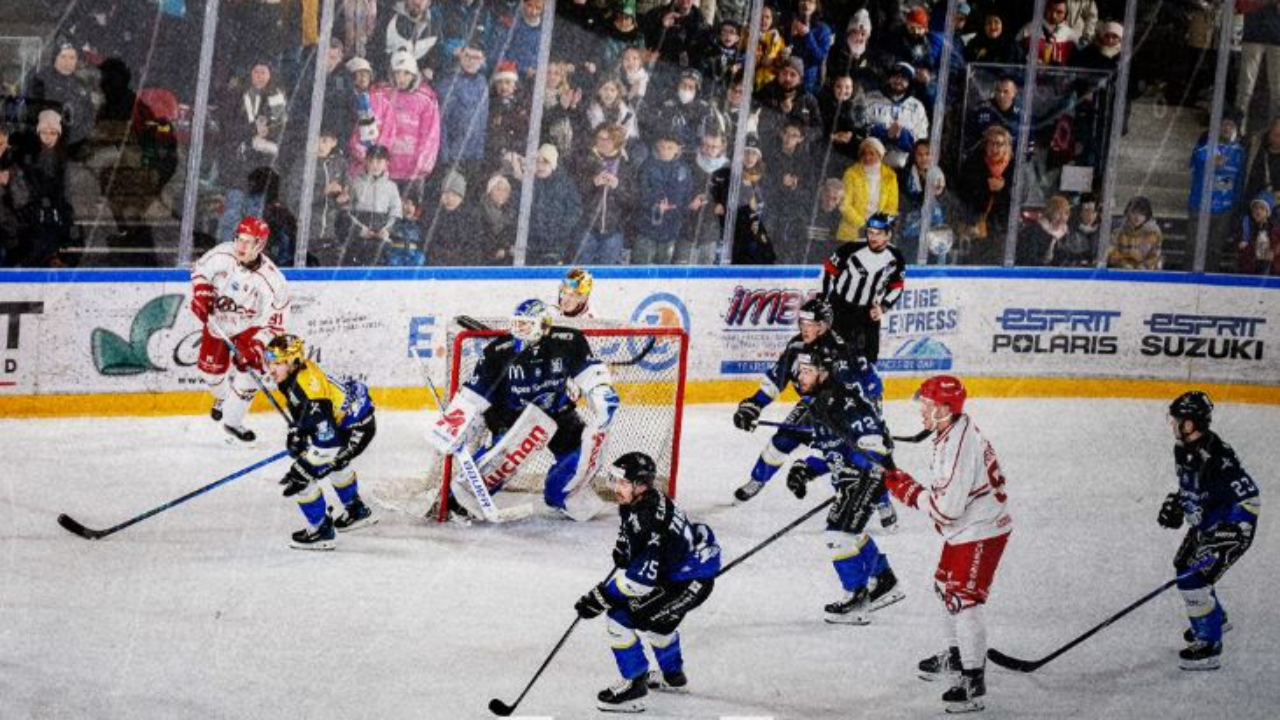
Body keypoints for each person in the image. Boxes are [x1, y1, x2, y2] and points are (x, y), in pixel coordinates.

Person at [882, 376, 1013, 714]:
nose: (922, 411)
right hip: (967, 527)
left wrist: (908, 491)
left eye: (927, 405)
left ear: (945, 409)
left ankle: (972, 681)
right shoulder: (951, 430)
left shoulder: (959, 445)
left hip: (981, 529)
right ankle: (958, 657)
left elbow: (947, 509)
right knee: (944, 587)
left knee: (963, 600)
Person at [427, 299, 619, 521]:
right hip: (512, 419)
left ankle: (562, 494)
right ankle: (455, 501)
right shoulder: (498, 352)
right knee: (496, 465)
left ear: (543, 325)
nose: (519, 329)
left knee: (581, 456)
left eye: (526, 324)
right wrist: (456, 425)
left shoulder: (568, 341)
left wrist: (602, 392)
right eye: (517, 323)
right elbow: (474, 395)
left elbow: (590, 371)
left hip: (558, 413)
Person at [573, 451, 721, 712]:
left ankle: (634, 687)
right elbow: (636, 539)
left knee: (619, 618)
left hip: (685, 583)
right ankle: (673, 677)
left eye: (622, 482)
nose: (616, 487)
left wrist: (601, 597)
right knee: (658, 625)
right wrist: (625, 549)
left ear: (640, 485)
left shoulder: (646, 518)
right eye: (615, 480)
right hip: (687, 576)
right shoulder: (645, 500)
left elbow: (640, 582)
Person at [782, 347, 903, 624]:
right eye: (801, 371)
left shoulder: (844, 398)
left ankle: (856, 600)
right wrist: (805, 469)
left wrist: (858, 467)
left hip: (867, 476)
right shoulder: (819, 402)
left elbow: (872, 440)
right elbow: (833, 451)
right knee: (851, 533)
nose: (802, 376)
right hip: (856, 478)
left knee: (837, 536)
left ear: (823, 372)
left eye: (808, 371)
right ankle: (884, 580)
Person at [731, 298, 883, 503]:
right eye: (802, 323)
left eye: (810, 324)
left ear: (823, 326)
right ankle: (757, 480)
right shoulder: (796, 346)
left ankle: (882, 501)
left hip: (842, 410)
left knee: (846, 458)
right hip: (812, 404)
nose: (805, 328)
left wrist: (869, 420)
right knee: (782, 440)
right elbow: (778, 377)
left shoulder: (841, 352)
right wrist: (755, 404)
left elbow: (866, 387)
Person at [1159, 391, 1260, 670]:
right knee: (1183, 565)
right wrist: (1181, 503)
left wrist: (1233, 530)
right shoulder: (1183, 447)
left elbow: (1248, 495)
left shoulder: (1218, 455)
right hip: (1208, 520)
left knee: (1194, 578)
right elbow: (1195, 484)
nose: (1173, 424)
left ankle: (1209, 646)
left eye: (1177, 420)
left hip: (1234, 524)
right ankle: (1216, 617)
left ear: (1191, 423)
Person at [266, 334, 378, 550]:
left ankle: (321, 531)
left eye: (277, 363)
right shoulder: (296, 373)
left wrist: (305, 464)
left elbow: (328, 443)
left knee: (301, 477)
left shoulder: (310, 391)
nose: (271, 369)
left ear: (293, 362)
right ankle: (356, 511)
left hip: (353, 431)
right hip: (349, 422)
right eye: (270, 362)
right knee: (335, 464)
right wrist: (299, 428)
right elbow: (311, 415)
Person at [190, 216, 289, 444]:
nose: (241, 246)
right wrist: (202, 292)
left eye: (249, 241)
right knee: (210, 374)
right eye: (239, 239)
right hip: (219, 322)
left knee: (254, 367)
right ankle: (223, 398)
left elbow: (275, 323)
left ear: (260, 245)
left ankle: (233, 422)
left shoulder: (273, 281)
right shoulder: (222, 254)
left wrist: (257, 346)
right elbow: (200, 271)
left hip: (249, 326)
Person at [821, 212, 906, 364]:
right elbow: (829, 273)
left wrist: (883, 307)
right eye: (870, 232)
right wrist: (826, 302)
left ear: (888, 235)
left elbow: (897, 287)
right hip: (840, 308)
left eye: (878, 234)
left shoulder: (896, 257)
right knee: (833, 355)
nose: (872, 237)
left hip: (868, 312)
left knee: (869, 358)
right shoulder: (850, 248)